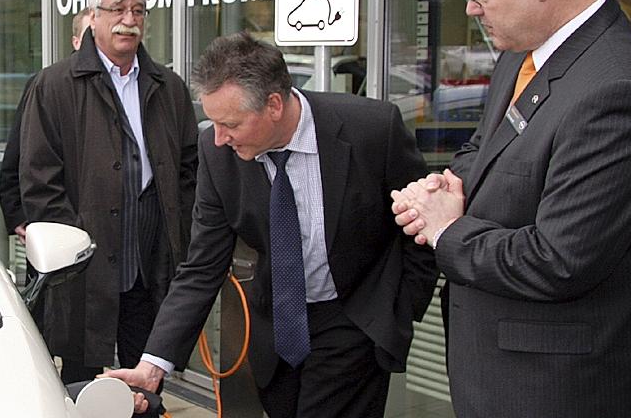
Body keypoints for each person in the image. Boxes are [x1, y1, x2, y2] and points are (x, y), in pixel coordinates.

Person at [392, 0, 631, 417]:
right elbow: (487, 149)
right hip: (501, 372)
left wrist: (444, 231)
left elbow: (558, 261)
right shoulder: (526, 51)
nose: (471, 8)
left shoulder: (619, 93)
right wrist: (445, 186)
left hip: (558, 390)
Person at [107, 32, 438, 417]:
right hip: (277, 332)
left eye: (230, 123)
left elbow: (421, 225)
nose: (218, 137)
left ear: (274, 105)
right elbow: (201, 267)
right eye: (212, 122)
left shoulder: (372, 129)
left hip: (352, 320)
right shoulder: (219, 156)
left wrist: (397, 308)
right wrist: (153, 364)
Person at [18, 0, 199, 384]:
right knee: (82, 380)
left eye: (138, 10)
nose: (129, 19)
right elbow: (39, 178)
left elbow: (189, 169)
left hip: (149, 262)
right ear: (93, 17)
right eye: (117, 8)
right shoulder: (55, 85)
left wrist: (181, 231)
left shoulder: (167, 87)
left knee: (147, 377)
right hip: (84, 267)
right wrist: (74, 239)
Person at [0, 6, 91, 244]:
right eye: (90, 36)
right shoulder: (48, 85)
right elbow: (18, 154)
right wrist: (18, 215)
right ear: (76, 41)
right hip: (58, 233)